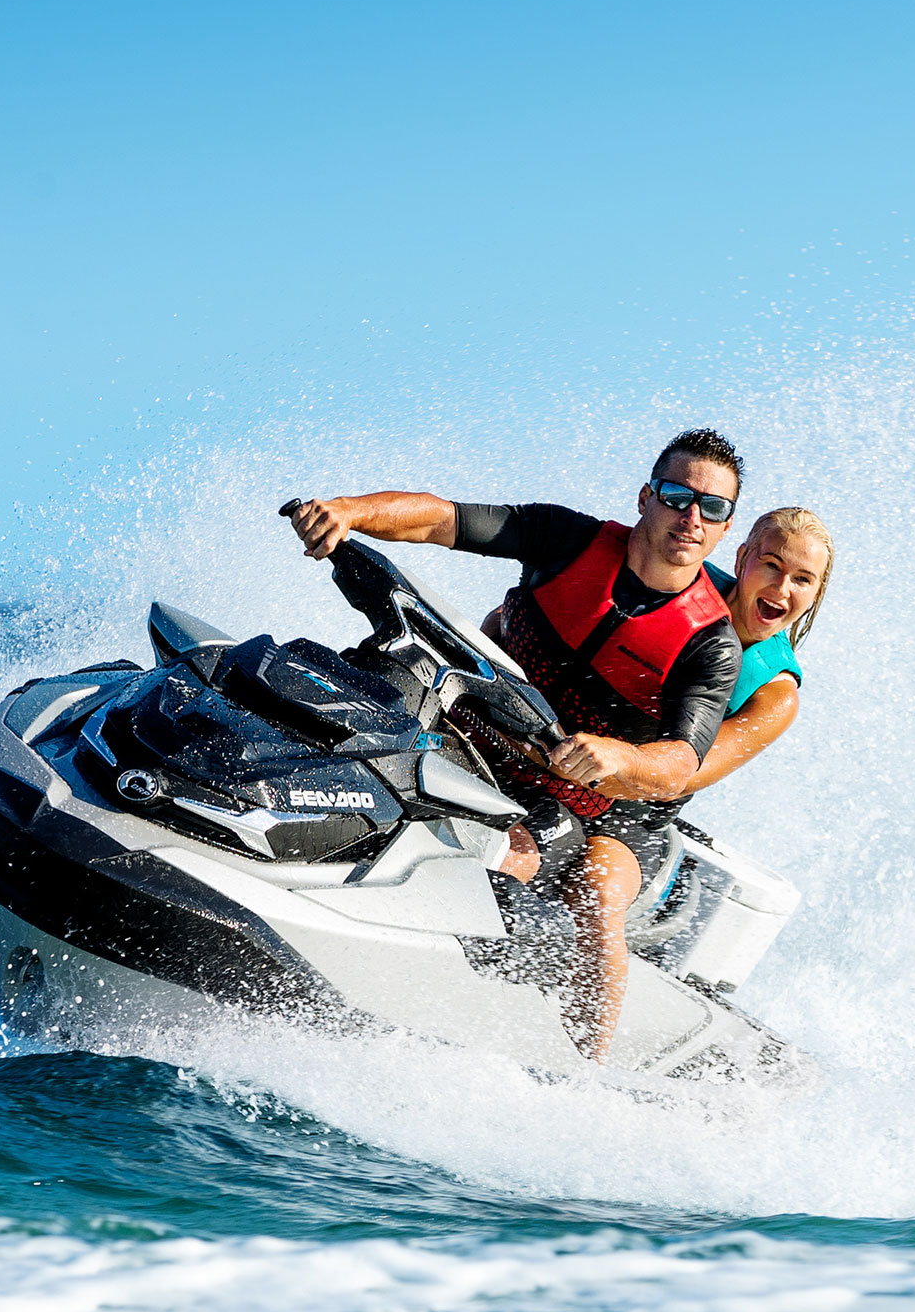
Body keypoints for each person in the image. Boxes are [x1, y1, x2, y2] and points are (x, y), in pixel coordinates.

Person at [283, 429, 747, 1059]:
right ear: (646, 497)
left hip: (570, 799)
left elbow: (681, 762)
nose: (690, 517)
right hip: (468, 741)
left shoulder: (710, 643)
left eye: (712, 507)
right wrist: (350, 512)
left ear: (724, 528)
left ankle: (585, 1067)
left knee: (516, 857)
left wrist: (622, 757)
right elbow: (444, 519)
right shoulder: (569, 539)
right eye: (675, 495)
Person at [679, 506, 833, 798]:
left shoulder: (775, 696)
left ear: (816, 593)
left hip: (637, 802)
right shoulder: (682, 581)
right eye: (772, 565)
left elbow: (680, 780)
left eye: (802, 579)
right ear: (741, 559)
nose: (782, 587)